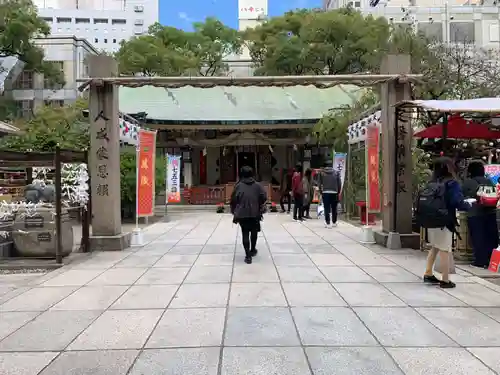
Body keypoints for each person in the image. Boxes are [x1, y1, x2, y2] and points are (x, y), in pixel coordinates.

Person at [420, 157, 471, 289]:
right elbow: (457, 202)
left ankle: (428, 273)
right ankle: (445, 279)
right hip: (445, 221)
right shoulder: (451, 184)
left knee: (435, 246)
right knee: (445, 249)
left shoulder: (431, 183)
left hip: (430, 220)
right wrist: (468, 204)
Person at [462, 161, 498, 268]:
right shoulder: (489, 181)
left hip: (475, 213)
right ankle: (491, 260)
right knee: (490, 237)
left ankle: (479, 261)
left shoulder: (469, 182)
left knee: (478, 237)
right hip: (490, 212)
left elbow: (462, 193)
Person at [230, 166, 267, 264]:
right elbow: (264, 197)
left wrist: (234, 210)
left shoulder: (238, 186)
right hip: (255, 213)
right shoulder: (258, 186)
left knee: (245, 233)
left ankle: (248, 256)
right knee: (254, 232)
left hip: (243, 213)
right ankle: (253, 249)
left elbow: (233, 199)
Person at [318, 160, 342, 228]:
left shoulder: (321, 173)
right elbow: (339, 183)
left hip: (325, 192)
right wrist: (338, 191)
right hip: (334, 192)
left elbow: (319, 184)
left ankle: (328, 223)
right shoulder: (336, 173)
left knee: (326, 208)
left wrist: (320, 191)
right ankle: (334, 222)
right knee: (334, 208)